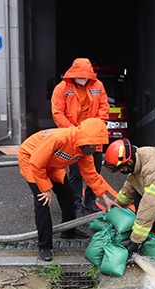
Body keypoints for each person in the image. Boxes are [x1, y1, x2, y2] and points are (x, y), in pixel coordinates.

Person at [18, 118, 111, 261]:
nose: (95, 147)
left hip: (52, 166)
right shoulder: (59, 138)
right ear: (85, 138)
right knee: (42, 202)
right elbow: (36, 163)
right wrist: (46, 189)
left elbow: (91, 174)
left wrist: (105, 197)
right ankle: (44, 246)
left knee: (68, 195)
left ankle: (69, 230)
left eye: (98, 144)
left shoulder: (83, 150)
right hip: (31, 161)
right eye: (94, 143)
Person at [51, 58, 110, 216]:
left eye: (85, 77)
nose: (82, 79)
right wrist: (74, 131)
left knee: (95, 170)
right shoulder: (61, 88)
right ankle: (76, 204)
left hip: (93, 137)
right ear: (73, 75)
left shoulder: (98, 86)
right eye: (80, 76)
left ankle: (90, 201)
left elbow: (104, 107)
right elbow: (58, 113)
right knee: (75, 173)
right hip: (74, 137)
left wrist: (95, 127)